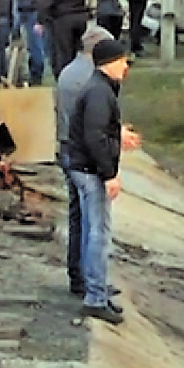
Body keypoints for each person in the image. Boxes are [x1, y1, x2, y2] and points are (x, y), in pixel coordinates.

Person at [67, 39, 135, 325]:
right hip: (90, 169)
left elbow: (99, 130)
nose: (126, 66)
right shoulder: (99, 93)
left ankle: (94, 286)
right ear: (109, 63)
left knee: (89, 229)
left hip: (82, 166)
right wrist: (109, 174)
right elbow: (94, 137)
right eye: (122, 61)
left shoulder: (100, 89)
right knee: (99, 232)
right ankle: (95, 297)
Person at [55, 26, 114, 298]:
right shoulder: (89, 78)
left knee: (79, 216)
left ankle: (81, 276)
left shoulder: (69, 71)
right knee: (91, 223)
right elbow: (92, 127)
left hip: (68, 148)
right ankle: (88, 281)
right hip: (80, 155)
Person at [11, 0, 47, 85]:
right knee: (33, 45)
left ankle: (36, 74)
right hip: (28, 13)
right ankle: (34, 71)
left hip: (31, 14)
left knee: (35, 45)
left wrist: (24, 4)